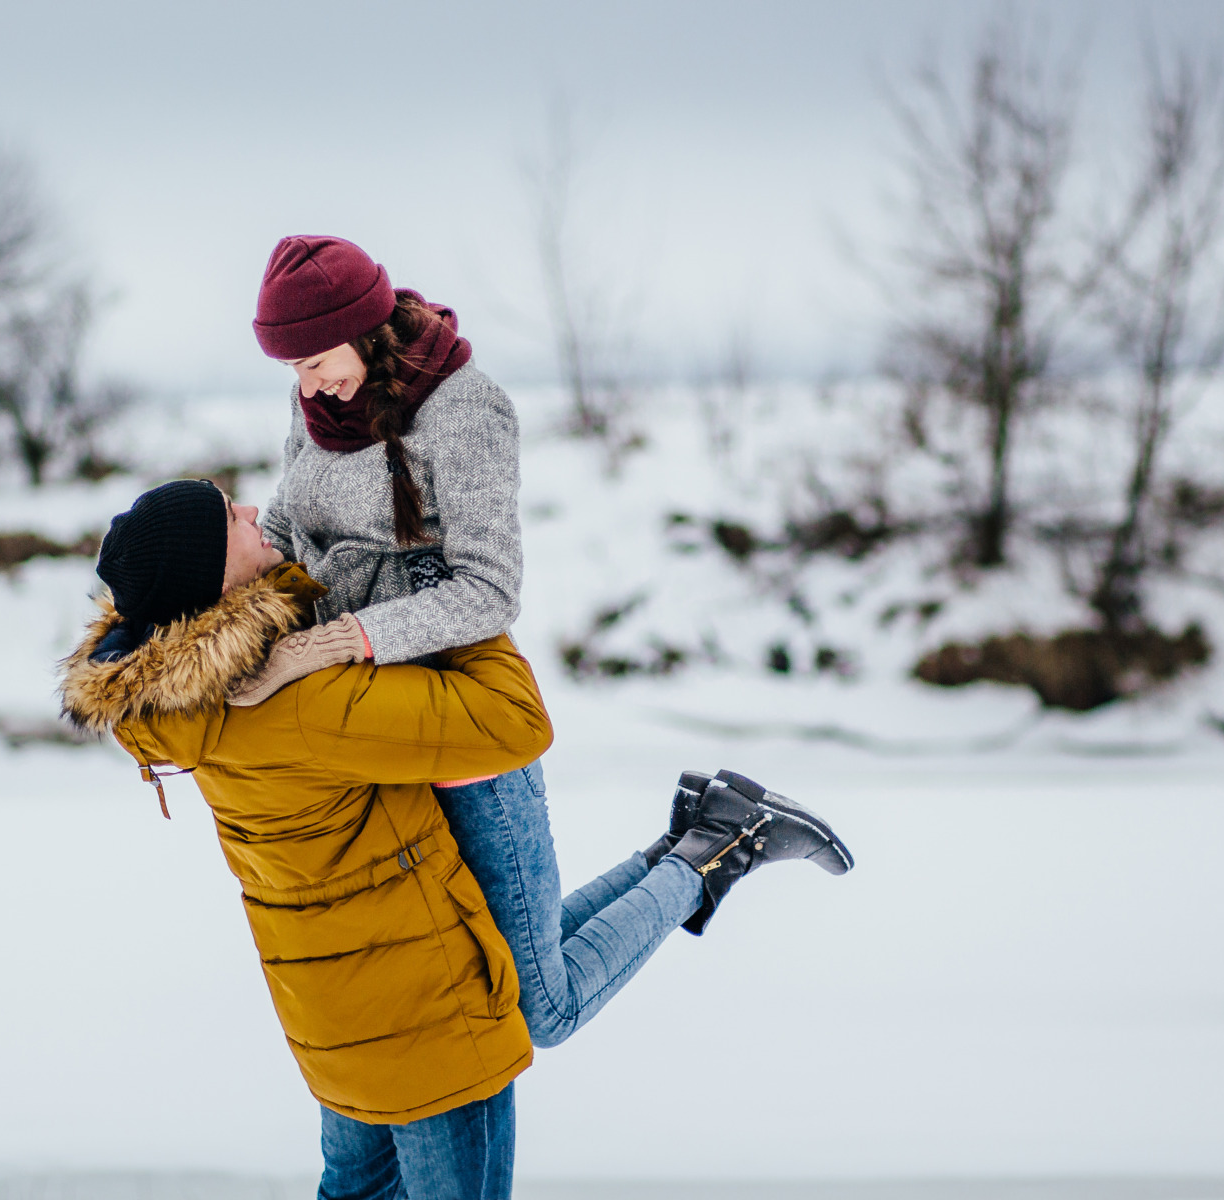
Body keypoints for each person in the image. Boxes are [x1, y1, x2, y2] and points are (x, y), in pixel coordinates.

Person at [57, 479, 854, 1199]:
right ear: (209, 578)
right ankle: (712, 846)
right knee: (552, 1004)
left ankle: (694, 847)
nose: (255, 510)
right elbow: (514, 722)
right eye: (231, 517)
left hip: (338, 1031)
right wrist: (456, 609)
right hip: (427, 1028)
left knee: (539, 1000)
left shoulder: (184, 713)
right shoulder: (294, 702)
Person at [236, 234, 854, 1051]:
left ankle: (719, 846)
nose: (311, 384)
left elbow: (489, 589)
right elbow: (290, 518)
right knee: (495, 963)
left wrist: (341, 641)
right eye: (295, 372)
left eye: (317, 361)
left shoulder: (465, 409)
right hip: (383, 727)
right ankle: (696, 838)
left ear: (363, 325)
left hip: (463, 722)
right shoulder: (317, 404)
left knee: (539, 1010)